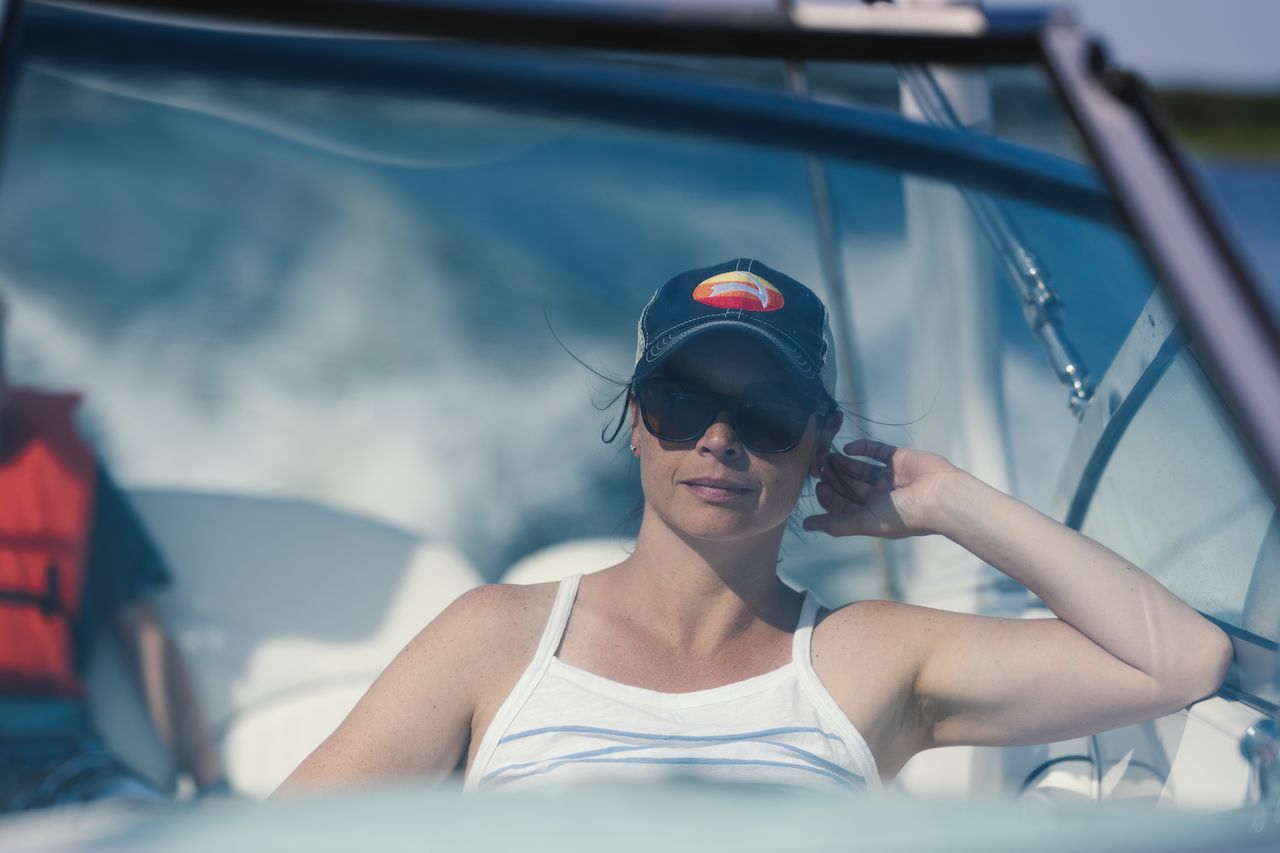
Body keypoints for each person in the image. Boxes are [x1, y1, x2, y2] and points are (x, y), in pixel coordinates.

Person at [278, 258, 1231, 795]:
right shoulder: (496, 639)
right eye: (685, 401)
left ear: (821, 438)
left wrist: (946, 499)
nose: (721, 439)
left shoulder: (871, 659)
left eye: (767, 412)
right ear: (636, 420)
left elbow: (1179, 660)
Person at [0, 295, 228, 811]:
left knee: (139, 816)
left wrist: (213, 787)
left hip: (58, 758)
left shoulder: (65, 469)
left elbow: (143, 634)